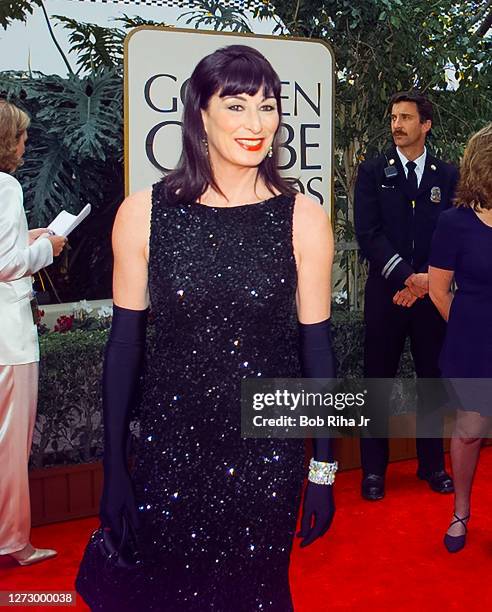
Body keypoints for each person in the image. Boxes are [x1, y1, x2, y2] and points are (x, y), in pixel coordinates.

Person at [76, 45, 337, 611]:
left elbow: (318, 351)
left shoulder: (303, 219)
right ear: (200, 113)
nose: (255, 124)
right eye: (237, 106)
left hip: (267, 456)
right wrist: (114, 466)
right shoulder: (143, 213)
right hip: (170, 450)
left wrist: (323, 467)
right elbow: (124, 347)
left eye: (267, 107)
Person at [354, 91, 458, 501]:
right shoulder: (372, 171)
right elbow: (368, 234)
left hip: (432, 298)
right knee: (376, 381)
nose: (396, 125)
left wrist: (426, 283)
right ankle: (374, 472)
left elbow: (453, 234)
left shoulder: (446, 175)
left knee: (431, 380)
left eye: (406, 118)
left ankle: (432, 465)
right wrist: (406, 278)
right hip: (387, 296)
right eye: (393, 117)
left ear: (425, 125)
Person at [0, 99, 66, 565]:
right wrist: (48, 248)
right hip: (8, 339)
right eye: (21, 136)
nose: (26, 144)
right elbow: (6, 265)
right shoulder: (5, 187)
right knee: (9, 446)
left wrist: (29, 238)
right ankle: (13, 542)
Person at [428, 123, 492, 553]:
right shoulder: (454, 223)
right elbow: (437, 289)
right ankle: (461, 511)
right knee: (470, 430)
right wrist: (468, 328)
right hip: (473, 342)